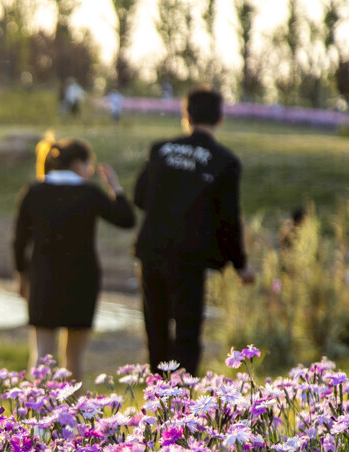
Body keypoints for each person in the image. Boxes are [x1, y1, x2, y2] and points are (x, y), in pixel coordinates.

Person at [133, 86, 255, 376]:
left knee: (157, 331)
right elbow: (228, 221)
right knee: (187, 334)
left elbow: (139, 197)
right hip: (189, 259)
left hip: (151, 251)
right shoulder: (225, 161)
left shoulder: (160, 149)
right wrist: (240, 265)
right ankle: (183, 408)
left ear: (185, 115)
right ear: (220, 119)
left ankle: (159, 402)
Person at [14, 135, 137, 380]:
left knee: (42, 356)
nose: (90, 170)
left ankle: (36, 415)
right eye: (89, 165)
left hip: (43, 279)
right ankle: (72, 414)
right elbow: (127, 219)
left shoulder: (34, 192)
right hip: (82, 280)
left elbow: (19, 242)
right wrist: (115, 188)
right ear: (78, 164)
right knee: (74, 358)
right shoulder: (89, 192)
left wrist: (22, 276)